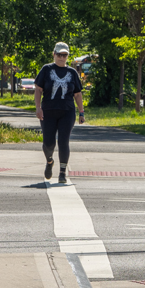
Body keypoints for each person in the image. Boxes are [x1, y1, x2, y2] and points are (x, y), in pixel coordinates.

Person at [34, 42, 85, 183]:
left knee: (63, 141)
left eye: (65, 55)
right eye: (59, 54)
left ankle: (62, 172)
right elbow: (38, 90)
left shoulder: (72, 73)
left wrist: (81, 112)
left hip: (67, 112)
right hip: (48, 111)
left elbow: (78, 94)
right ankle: (49, 161)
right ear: (54, 54)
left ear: (68, 55)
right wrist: (38, 107)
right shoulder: (46, 69)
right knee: (48, 143)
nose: (62, 58)